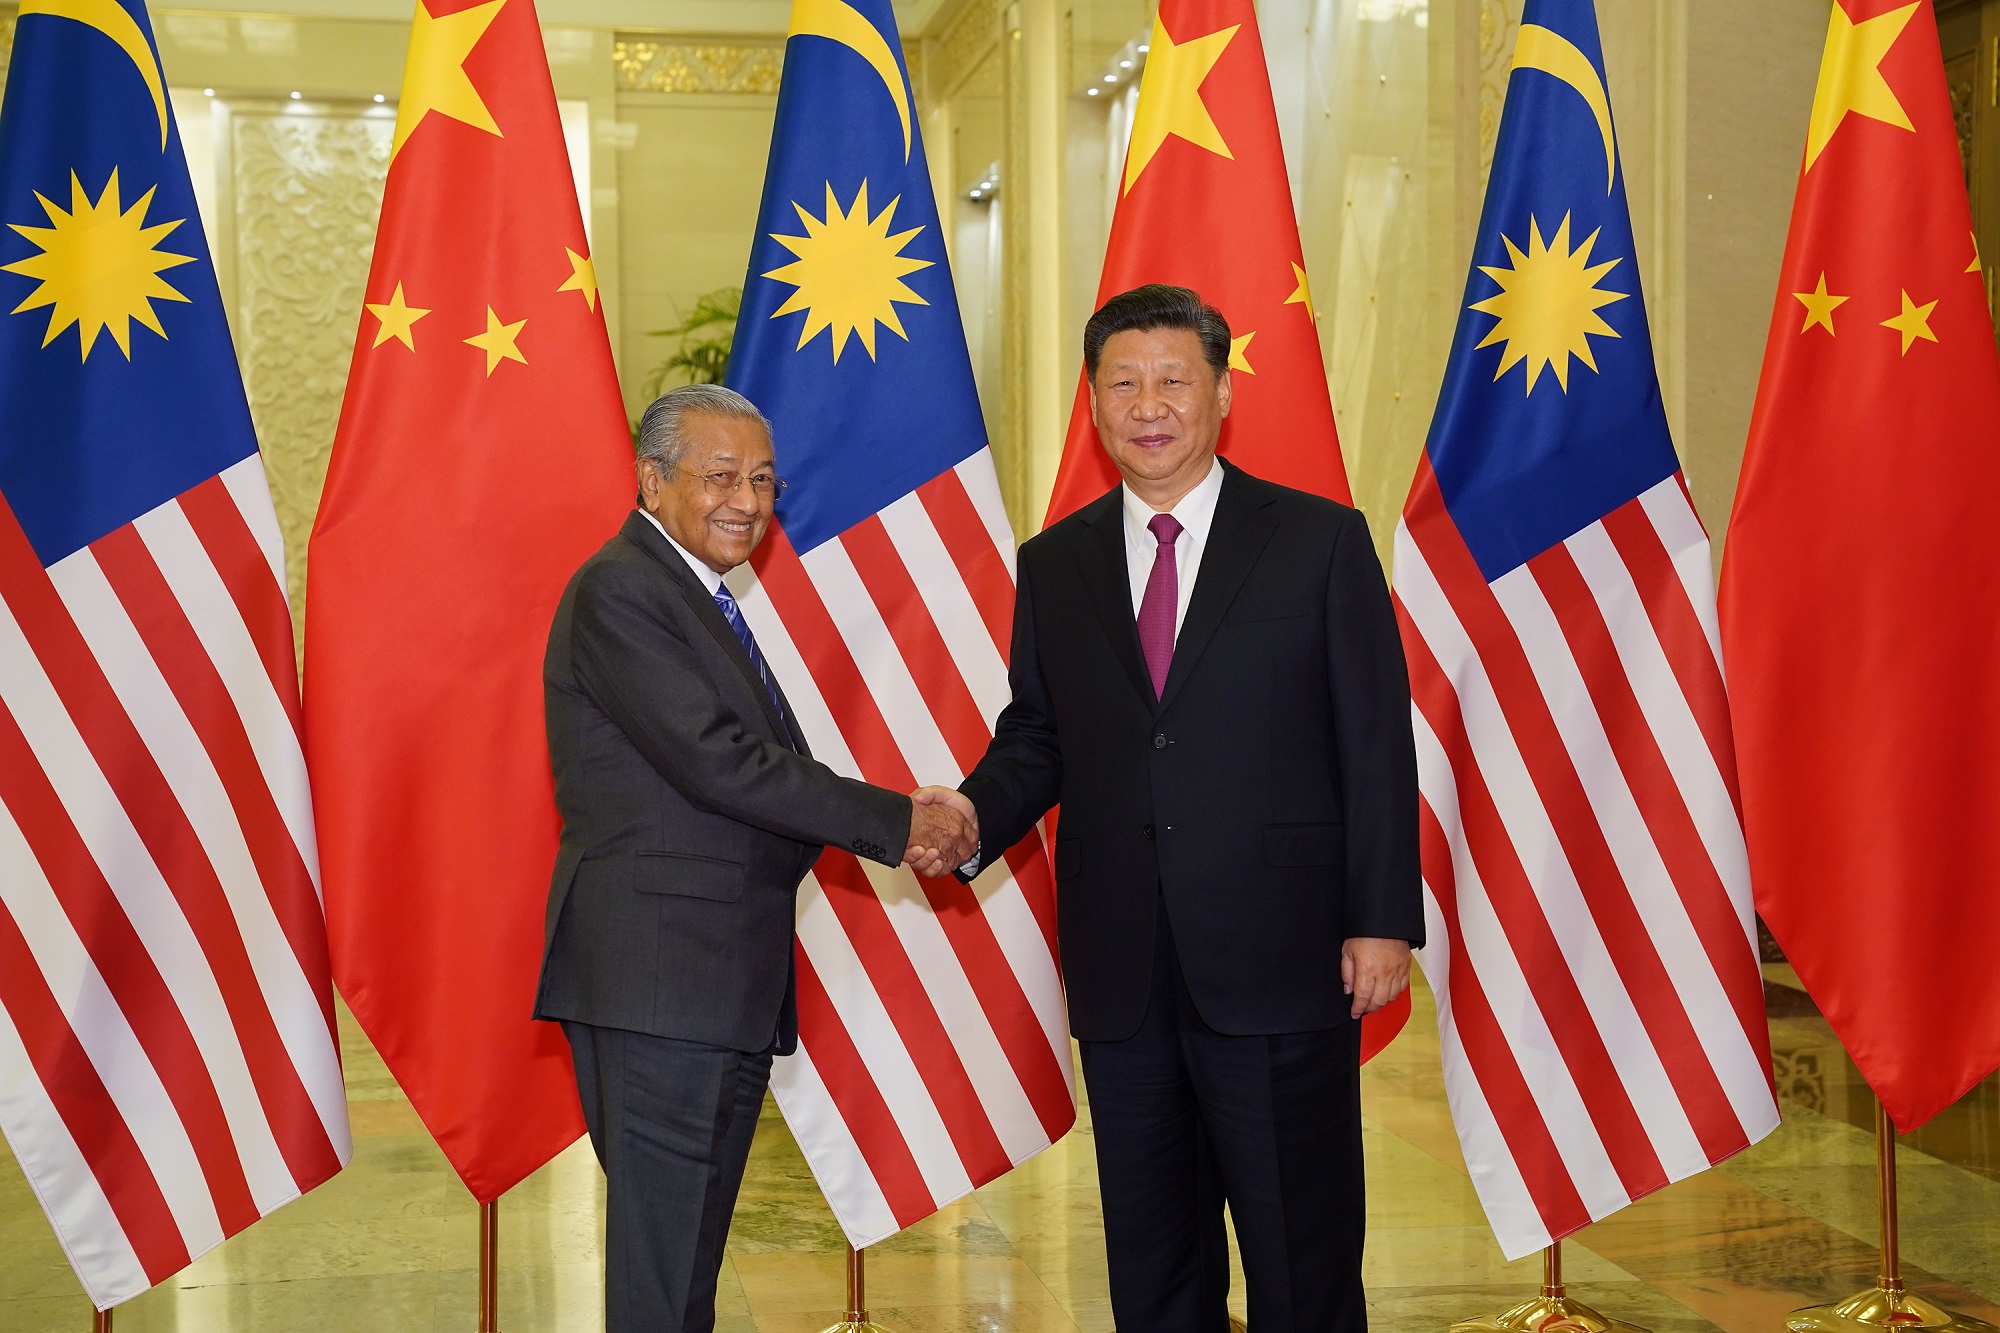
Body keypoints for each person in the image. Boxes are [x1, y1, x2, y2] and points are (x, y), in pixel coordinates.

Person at [916, 285, 1422, 1332]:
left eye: (1173, 381)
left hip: (1279, 959)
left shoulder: (1318, 540)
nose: (1148, 406)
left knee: (1302, 1264)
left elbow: (1375, 743)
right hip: (1125, 974)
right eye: (1123, 384)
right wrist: (967, 813)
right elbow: (1040, 735)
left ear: (1221, 394)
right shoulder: (1054, 563)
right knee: (1153, 1269)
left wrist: (1380, 919)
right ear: (1094, 402)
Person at [534, 383, 973, 1333]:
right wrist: (897, 821)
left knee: (687, 1260)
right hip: (661, 985)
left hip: (712, 985)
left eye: (764, 480)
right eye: (721, 476)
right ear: (653, 480)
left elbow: (755, 770)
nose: (747, 500)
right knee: (661, 1273)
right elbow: (721, 763)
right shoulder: (623, 590)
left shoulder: (697, 596)